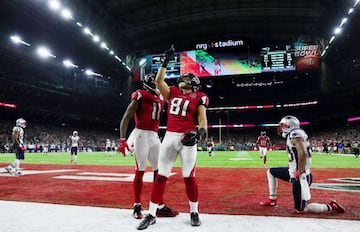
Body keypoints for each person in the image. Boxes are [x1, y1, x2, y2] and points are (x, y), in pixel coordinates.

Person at [137, 45, 209, 230]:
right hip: (169, 136)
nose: (182, 79)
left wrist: (201, 131)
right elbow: (160, 80)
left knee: (189, 177)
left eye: (186, 78)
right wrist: (166, 61)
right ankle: (152, 214)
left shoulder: (199, 96)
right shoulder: (173, 92)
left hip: (187, 138)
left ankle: (194, 211)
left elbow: (202, 118)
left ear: (192, 82)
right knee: (161, 176)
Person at [119, 72, 177, 220]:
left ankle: (158, 205)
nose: (158, 86)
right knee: (140, 170)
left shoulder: (160, 98)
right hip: (141, 135)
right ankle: (137, 205)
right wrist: (123, 139)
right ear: (150, 84)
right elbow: (126, 117)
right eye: (156, 83)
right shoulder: (141, 95)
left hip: (154, 135)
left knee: (160, 170)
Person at [259, 115, 345, 214]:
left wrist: (300, 171)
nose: (281, 128)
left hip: (301, 176)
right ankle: (272, 199)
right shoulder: (293, 134)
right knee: (271, 171)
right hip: (293, 172)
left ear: (289, 126)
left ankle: (330, 206)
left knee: (300, 209)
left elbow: (303, 152)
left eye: (283, 125)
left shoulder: (295, 133)